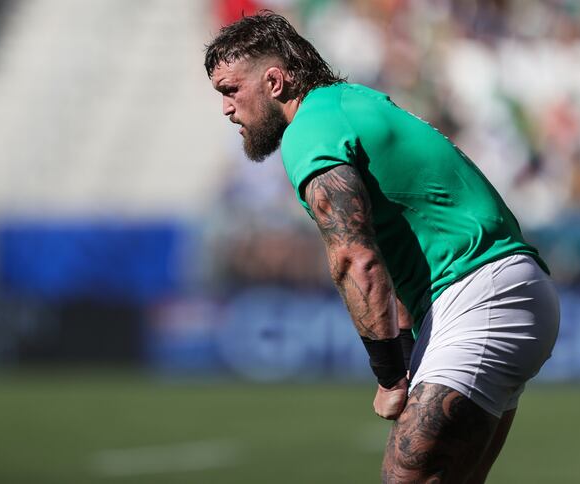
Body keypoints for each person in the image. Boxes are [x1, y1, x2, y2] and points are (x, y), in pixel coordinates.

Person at [204, 11, 560, 483]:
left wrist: (390, 374)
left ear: (274, 81)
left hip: (479, 296)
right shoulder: (352, 103)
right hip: (498, 291)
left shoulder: (309, 129)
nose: (227, 108)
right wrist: (410, 349)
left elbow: (356, 257)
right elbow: (399, 248)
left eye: (230, 89)